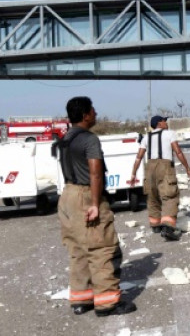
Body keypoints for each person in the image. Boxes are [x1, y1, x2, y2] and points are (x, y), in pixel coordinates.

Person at [54, 96, 136, 317]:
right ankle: (107, 303)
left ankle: (81, 300)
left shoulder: (66, 138)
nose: (96, 113)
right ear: (85, 115)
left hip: (68, 195)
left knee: (78, 250)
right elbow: (96, 172)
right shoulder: (89, 139)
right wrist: (95, 204)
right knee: (102, 249)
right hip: (85, 195)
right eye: (93, 110)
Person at [128, 116, 190, 242]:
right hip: (165, 167)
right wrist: (187, 168)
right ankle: (168, 228)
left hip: (150, 169)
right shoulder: (170, 134)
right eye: (164, 121)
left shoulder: (146, 137)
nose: (166, 123)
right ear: (159, 123)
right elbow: (178, 152)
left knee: (152, 196)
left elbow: (139, 157)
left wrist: (133, 174)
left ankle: (155, 225)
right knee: (170, 195)